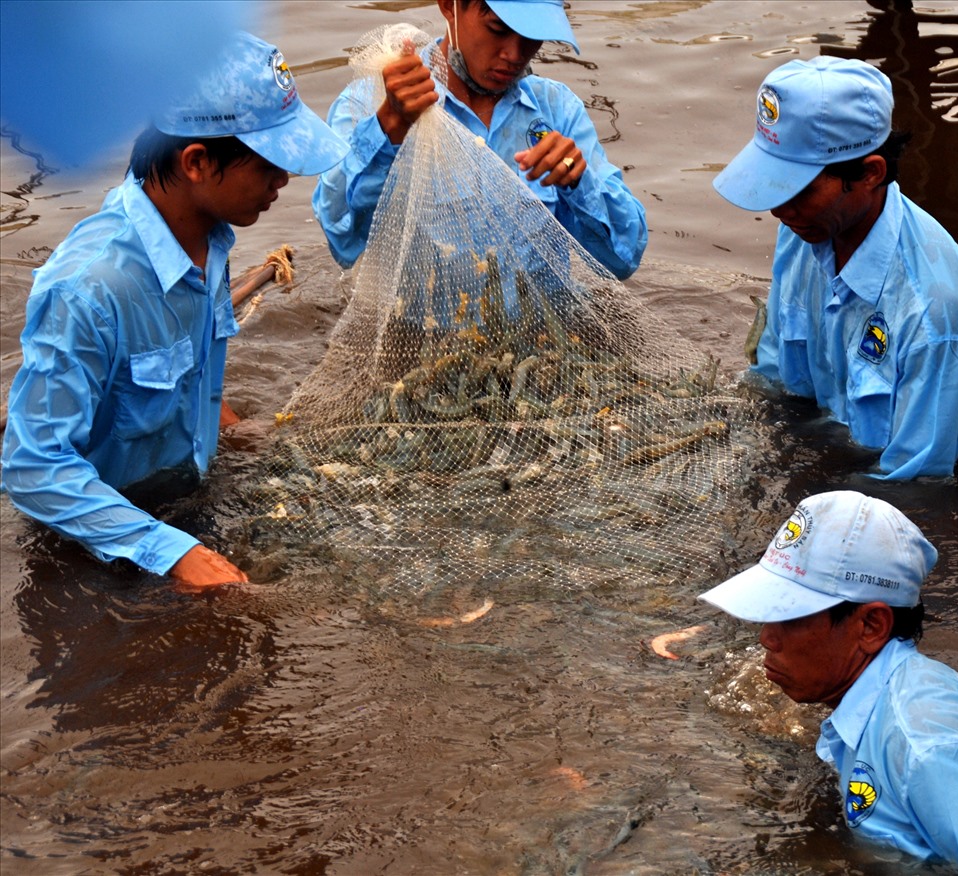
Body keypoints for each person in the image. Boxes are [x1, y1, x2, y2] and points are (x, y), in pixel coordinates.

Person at [1, 32, 341, 589]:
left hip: (186, 503)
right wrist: (175, 553)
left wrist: (232, 429)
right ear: (198, 162)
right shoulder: (88, 289)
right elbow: (34, 469)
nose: (285, 180)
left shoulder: (212, 241)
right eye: (270, 164)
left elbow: (186, 370)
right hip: (91, 547)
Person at [713, 56, 958, 481]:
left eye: (797, 190)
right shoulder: (803, 228)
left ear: (869, 173)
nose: (778, 209)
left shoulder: (934, 315)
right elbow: (774, 378)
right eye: (773, 183)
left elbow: (915, 483)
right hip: (828, 443)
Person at [698, 490, 958, 873]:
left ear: (871, 626)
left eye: (790, 618)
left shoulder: (926, 747)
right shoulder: (877, 706)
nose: (766, 638)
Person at [312, 0, 647, 280]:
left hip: (542, 336)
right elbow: (342, 241)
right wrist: (390, 127)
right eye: (498, 29)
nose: (515, 54)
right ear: (449, 6)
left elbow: (622, 260)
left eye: (533, 36)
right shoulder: (370, 104)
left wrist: (577, 181)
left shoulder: (557, 110)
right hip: (426, 339)